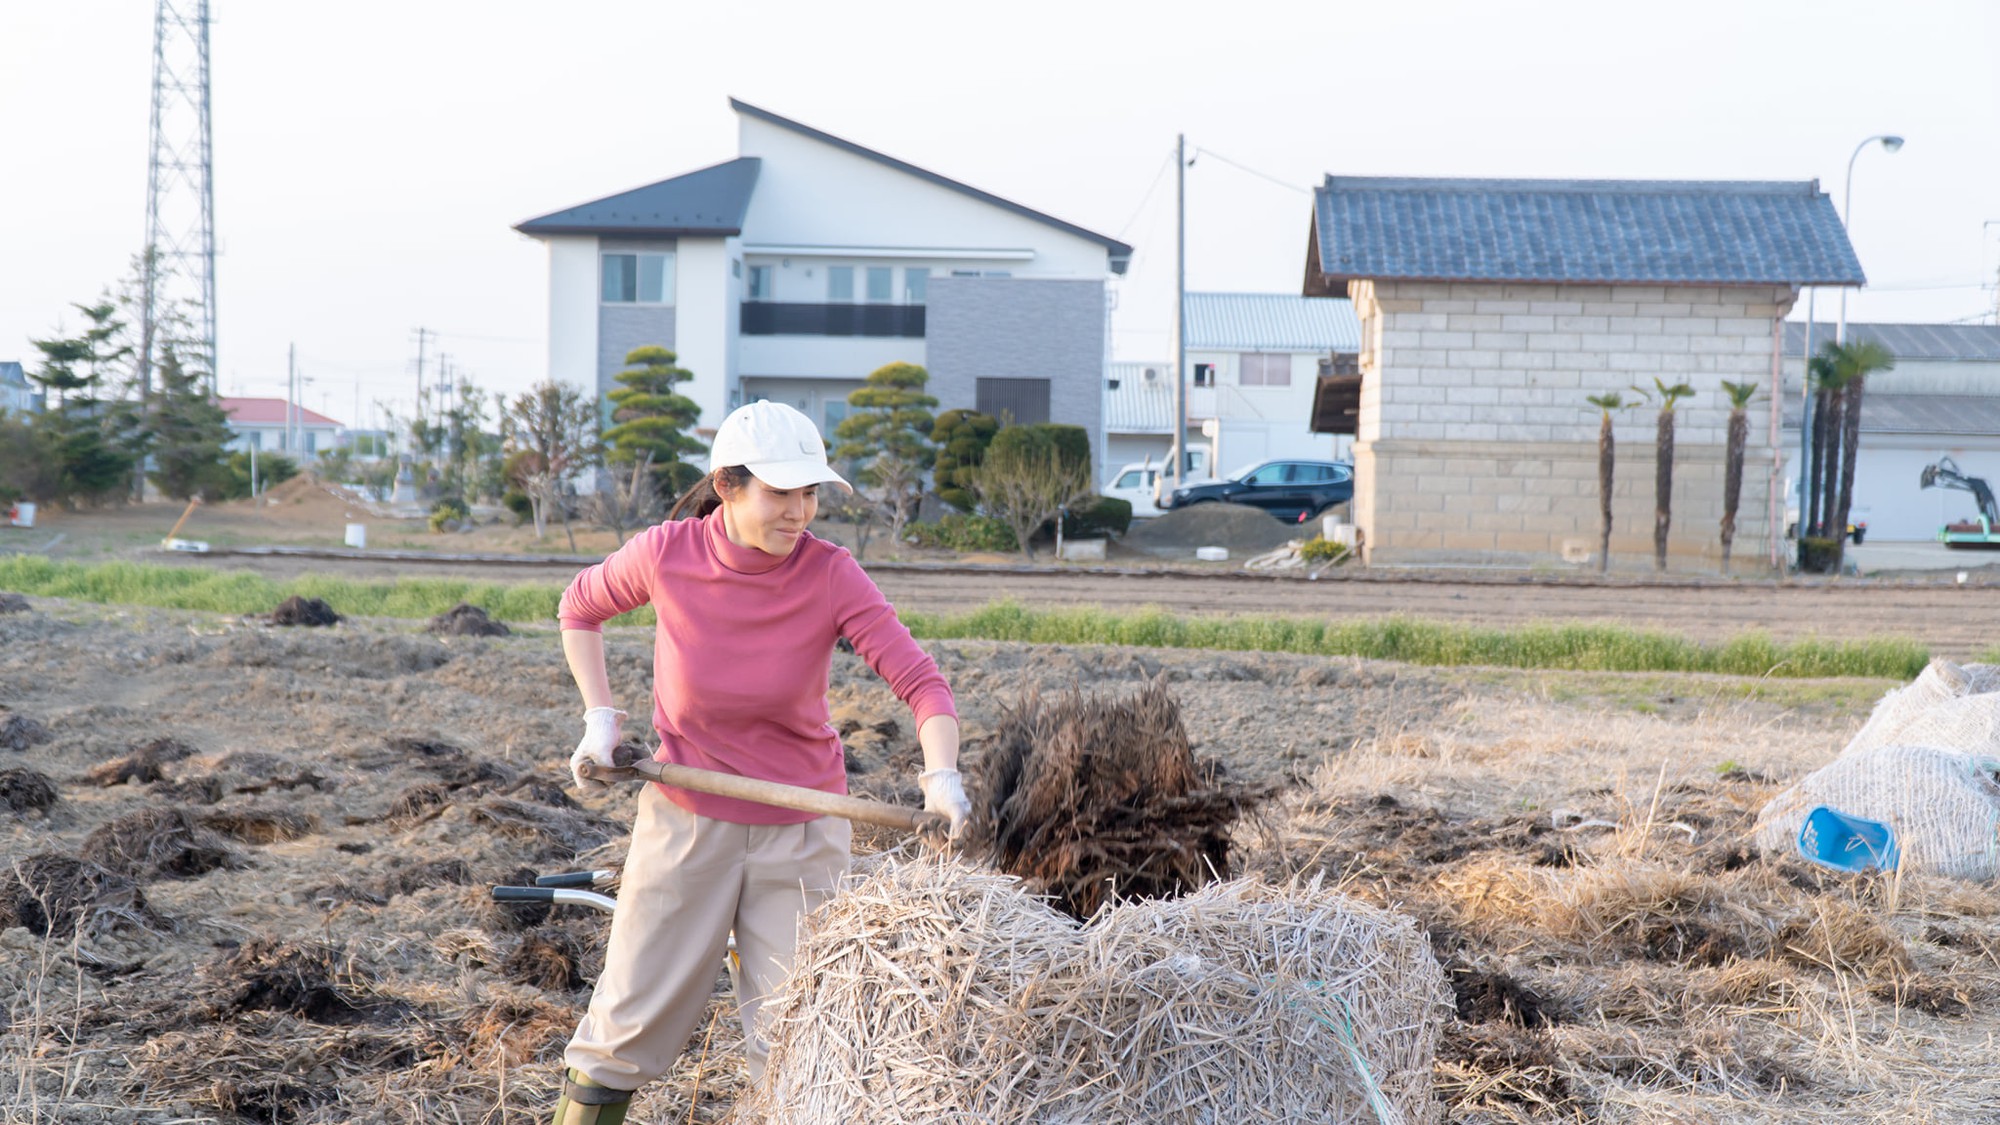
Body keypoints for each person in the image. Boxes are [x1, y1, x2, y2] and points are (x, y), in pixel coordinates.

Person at [546, 400, 970, 1125]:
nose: (801, 511)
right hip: (685, 824)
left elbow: (922, 684)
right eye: (782, 492)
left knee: (798, 1037)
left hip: (802, 833)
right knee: (624, 1025)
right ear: (727, 485)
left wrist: (942, 774)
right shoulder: (667, 553)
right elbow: (578, 607)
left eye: (810, 492)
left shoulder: (831, 574)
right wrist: (600, 721)